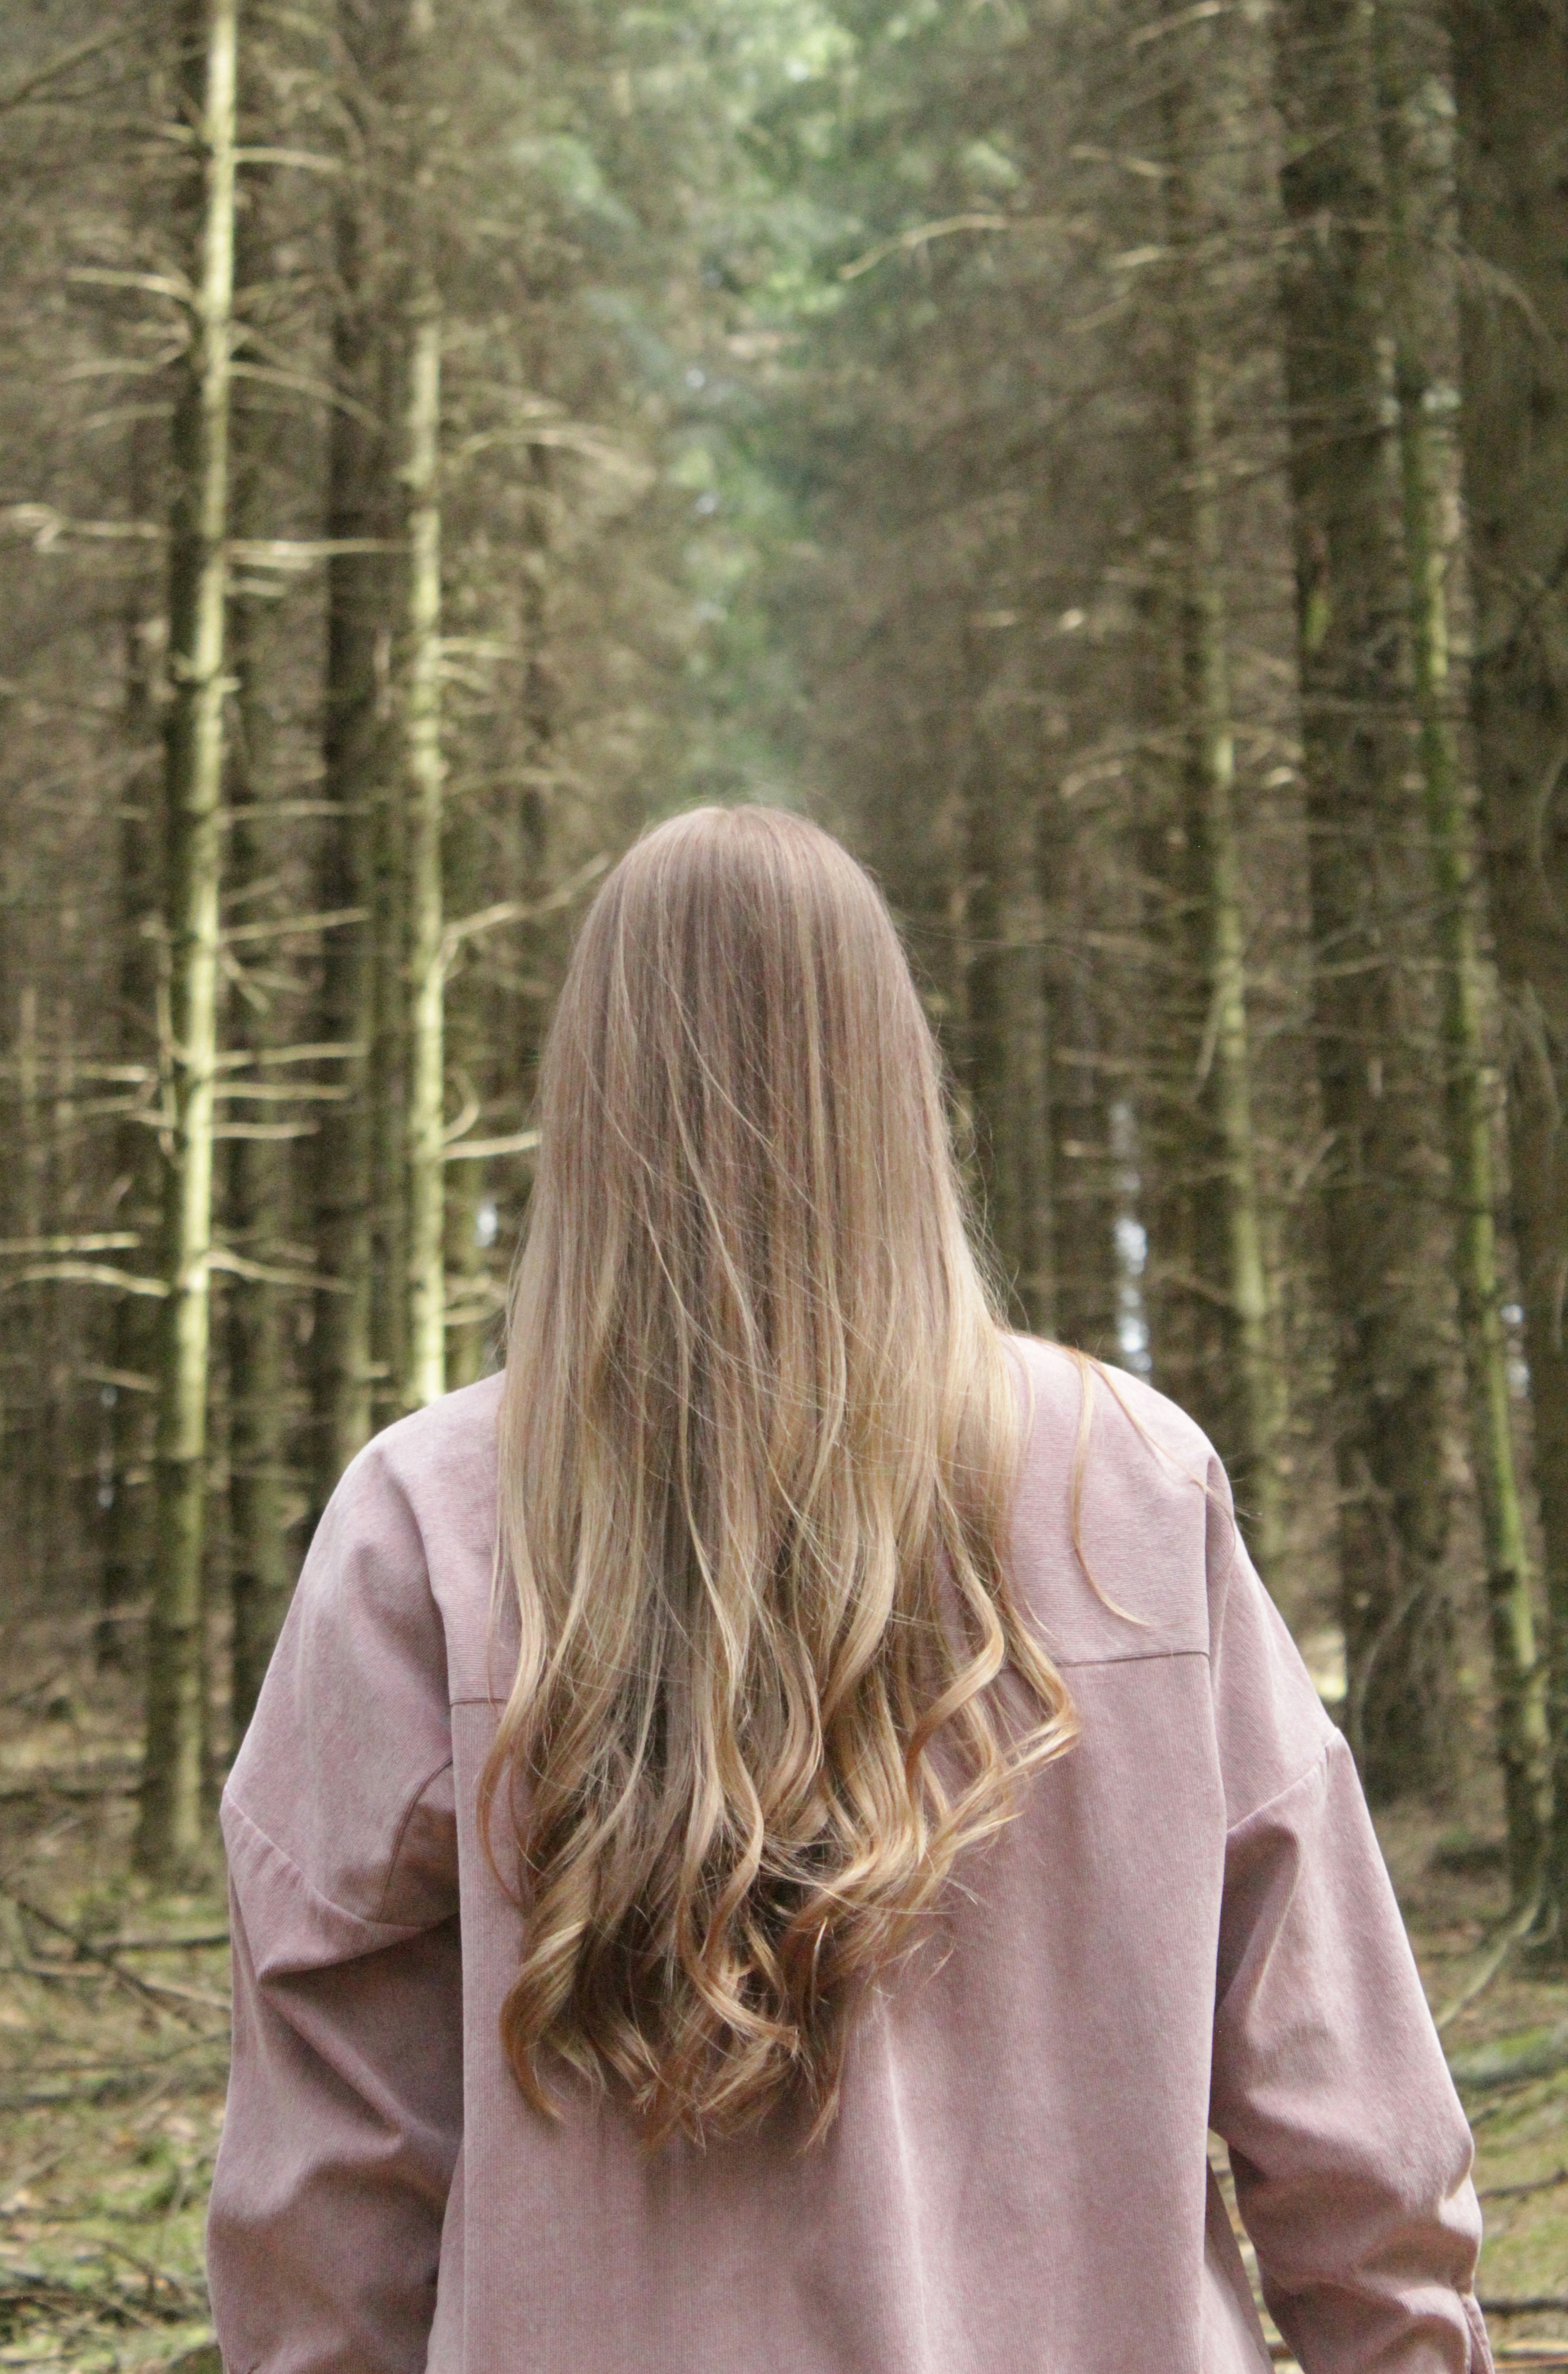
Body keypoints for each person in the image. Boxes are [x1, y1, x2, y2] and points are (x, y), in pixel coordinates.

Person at [206, 805, 1491, 2374]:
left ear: (590, 1105)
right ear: (902, 1094)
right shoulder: (1128, 1488)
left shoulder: (424, 1524)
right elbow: (1351, 2122)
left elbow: (324, 2208)